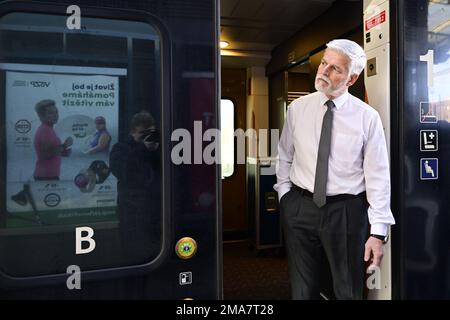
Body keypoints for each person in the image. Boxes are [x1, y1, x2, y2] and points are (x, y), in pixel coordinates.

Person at [274, 39, 396, 300]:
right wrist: (285, 196)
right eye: (324, 63)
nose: (324, 72)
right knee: (302, 291)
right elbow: (284, 155)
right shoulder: (298, 108)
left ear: (351, 79)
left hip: (346, 212)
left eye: (335, 69)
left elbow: (378, 176)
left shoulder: (367, 117)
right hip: (300, 206)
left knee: (347, 290)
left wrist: (378, 231)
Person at [109, 111, 161, 261]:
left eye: (150, 133)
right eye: (142, 133)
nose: (146, 137)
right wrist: (142, 148)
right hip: (132, 208)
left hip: (155, 208)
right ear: (132, 132)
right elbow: (123, 172)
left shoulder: (157, 149)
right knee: (134, 250)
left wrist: (155, 149)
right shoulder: (121, 148)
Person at [33, 99, 72, 180]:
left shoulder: (48, 129)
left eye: (56, 112)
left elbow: (49, 152)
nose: (55, 115)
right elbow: (44, 154)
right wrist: (64, 146)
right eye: (51, 113)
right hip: (46, 176)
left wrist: (63, 153)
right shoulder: (45, 130)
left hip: (47, 175)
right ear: (41, 116)